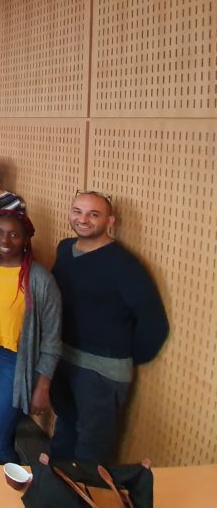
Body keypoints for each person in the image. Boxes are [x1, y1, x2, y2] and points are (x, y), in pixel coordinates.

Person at [49, 191, 168, 463]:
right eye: (77, 211)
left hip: (101, 369)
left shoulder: (124, 265)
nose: (83, 219)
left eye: (93, 214)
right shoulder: (65, 249)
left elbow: (154, 324)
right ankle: (56, 484)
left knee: (93, 446)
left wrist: (119, 356)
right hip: (63, 357)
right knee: (65, 428)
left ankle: (88, 490)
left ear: (110, 221)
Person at [0, 210, 60, 465]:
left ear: (26, 239)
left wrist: (43, 385)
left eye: (14, 235)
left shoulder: (39, 279)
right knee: (1, 431)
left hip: (15, 361)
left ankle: (18, 485)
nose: (5, 240)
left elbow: (52, 338)